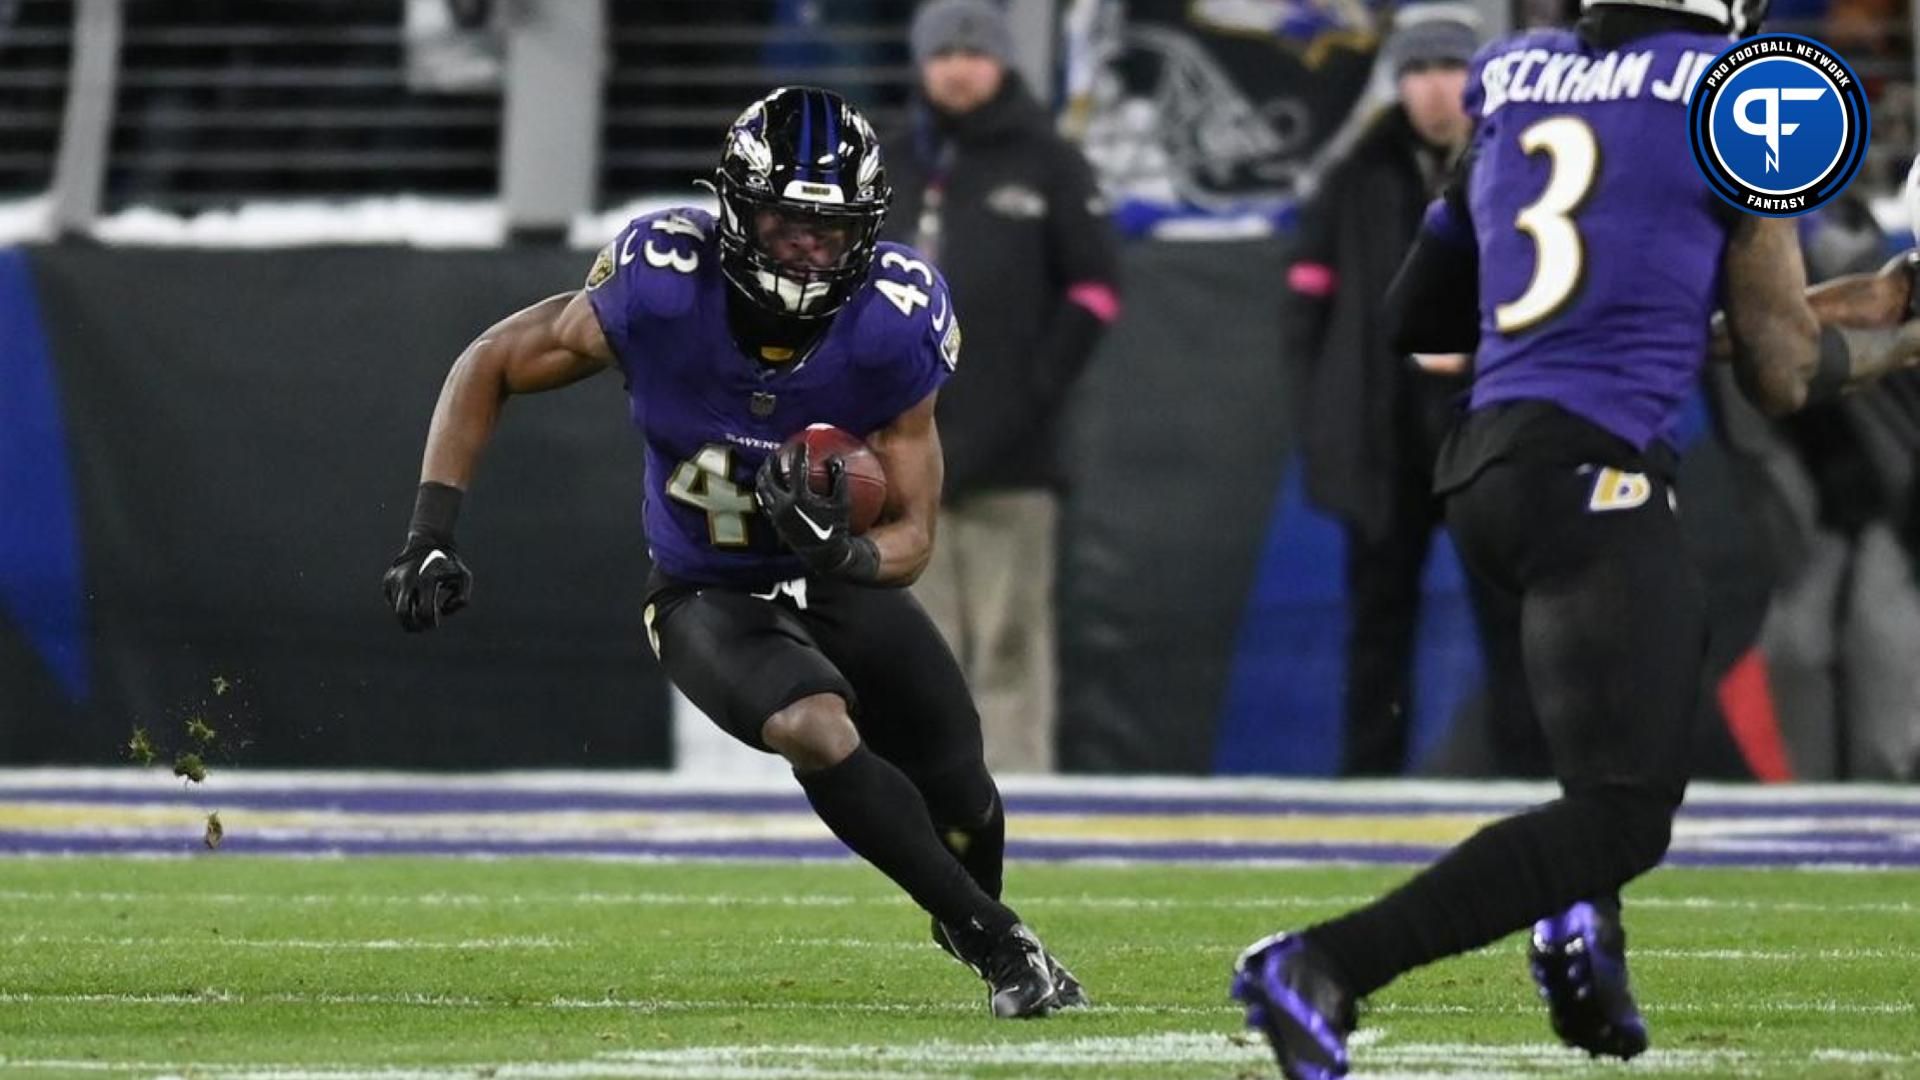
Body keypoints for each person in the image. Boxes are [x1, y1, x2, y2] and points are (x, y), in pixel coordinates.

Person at [1230, 0, 1920, 1072]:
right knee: (1627, 811)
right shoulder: (1733, 86)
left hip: (1491, 469)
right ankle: (1324, 963)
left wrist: (1870, 302)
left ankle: (1579, 941)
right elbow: (1784, 372)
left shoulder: (1515, 76)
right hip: (1591, 470)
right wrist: (1901, 345)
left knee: (1622, 730)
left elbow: (1427, 314)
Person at [380, 86, 1084, 1019]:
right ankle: (1001, 946)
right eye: (785, 222)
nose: (805, 248)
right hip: (704, 588)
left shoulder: (893, 319)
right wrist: (431, 532)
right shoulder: (662, 284)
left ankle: (971, 914)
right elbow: (493, 362)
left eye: (829, 231)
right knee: (815, 728)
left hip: (835, 579)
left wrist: (846, 556)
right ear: (736, 210)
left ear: (865, 231)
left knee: (963, 788)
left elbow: (914, 535)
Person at [1287, 3, 1544, 777]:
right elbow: (1305, 311)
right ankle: (1367, 782)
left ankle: (1531, 782)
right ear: (1396, 84)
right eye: (1418, 71)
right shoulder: (1355, 176)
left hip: (1487, 424)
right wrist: (1322, 421)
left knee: (1514, 618)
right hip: (1387, 431)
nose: (1435, 90)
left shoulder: (1525, 165)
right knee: (1378, 622)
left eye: (1450, 70)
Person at [884, 0, 1121, 774]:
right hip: (895, 457)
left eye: (974, 51)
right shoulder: (887, 161)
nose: (958, 67)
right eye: (943, 53)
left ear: (1002, 62)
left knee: (1010, 642)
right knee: (917, 649)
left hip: (1014, 452)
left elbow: (1096, 290)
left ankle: (1019, 805)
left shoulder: (1048, 160)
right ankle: (920, 808)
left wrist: (1033, 390)